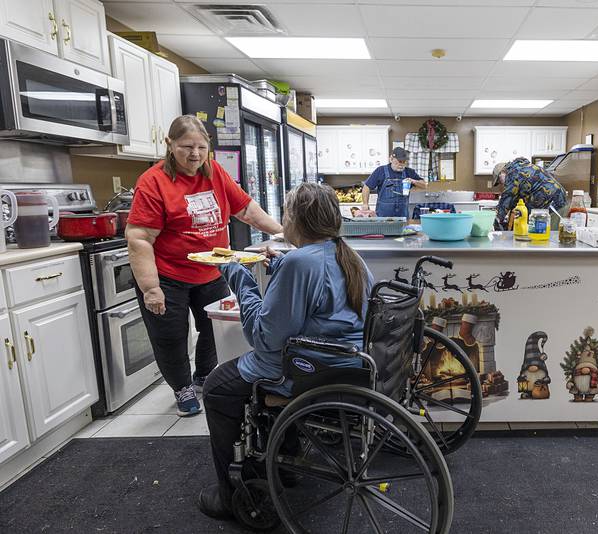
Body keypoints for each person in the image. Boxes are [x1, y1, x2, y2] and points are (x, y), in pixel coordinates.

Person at [197, 182, 374, 519]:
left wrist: (239, 277)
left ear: (295, 220)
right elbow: (322, 297)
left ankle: (230, 493)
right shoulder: (348, 255)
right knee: (265, 373)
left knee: (217, 388)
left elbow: (265, 338)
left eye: (285, 213)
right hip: (347, 363)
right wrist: (281, 266)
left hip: (309, 369)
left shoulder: (300, 263)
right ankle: (284, 463)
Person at [126, 115, 282, 417]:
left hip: (212, 269)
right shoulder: (153, 182)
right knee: (170, 335)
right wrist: (151, 288)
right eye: (186, 147)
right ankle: (182, 387)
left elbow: (247, 210)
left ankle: (203, 375)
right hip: (166, 274)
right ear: (170, 145)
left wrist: (283, 232)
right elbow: (139, 238)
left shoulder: (214, 173)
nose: (195, 154)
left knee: (214, 327)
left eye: (201, 147)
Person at [492, 157, 568, 230]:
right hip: (558, 197)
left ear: (502, 173)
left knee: (549, 236)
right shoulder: (521, 167)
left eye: (499, 181)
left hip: (552, 203)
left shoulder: (512, 173)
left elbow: (506, 199)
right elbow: (515, 200)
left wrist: (494, 221)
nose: (502, 184)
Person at [360, 146, 427, 217]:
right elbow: (366, 187)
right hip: (383, 216)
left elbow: (424, 185)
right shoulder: (380, 171)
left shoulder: (409, 172)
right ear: (391, 159)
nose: (401, 165)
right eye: (399, 162)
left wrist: (413, 181)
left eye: (404, 162)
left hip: (402, 215)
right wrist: (365, 204)